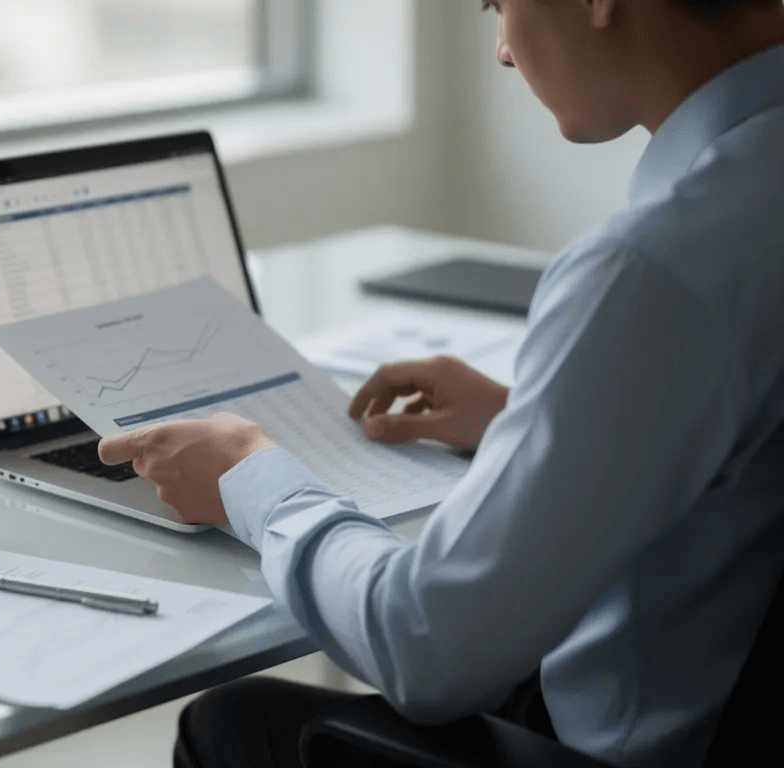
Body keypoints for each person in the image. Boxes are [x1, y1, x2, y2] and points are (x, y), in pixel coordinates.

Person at [97, 1, 784, 766]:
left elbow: (424, 647)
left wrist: (252, 481)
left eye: (498, 4)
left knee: (235, 723)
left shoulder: (658, 267)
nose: (499, 50)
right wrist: (526, 418)